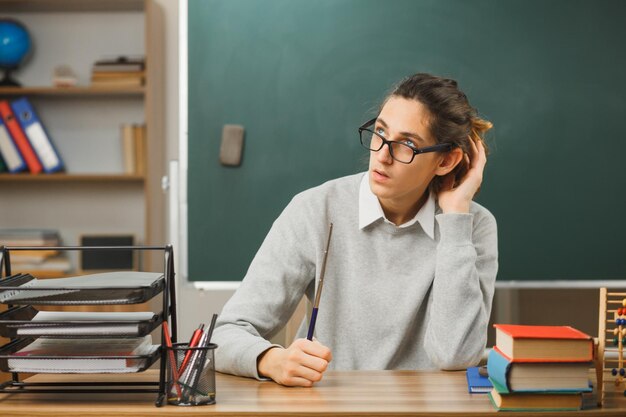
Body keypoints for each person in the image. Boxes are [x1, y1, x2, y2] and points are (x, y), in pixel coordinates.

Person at [212, 73, 498, 387]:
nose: (382, 155)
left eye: (406, 144)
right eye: (379, 132)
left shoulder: (472, 226)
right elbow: (224, 334)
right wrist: (272, 360)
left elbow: (456, 355)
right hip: (331, 407)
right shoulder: (316, 209)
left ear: (445, 161)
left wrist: (456, 217)